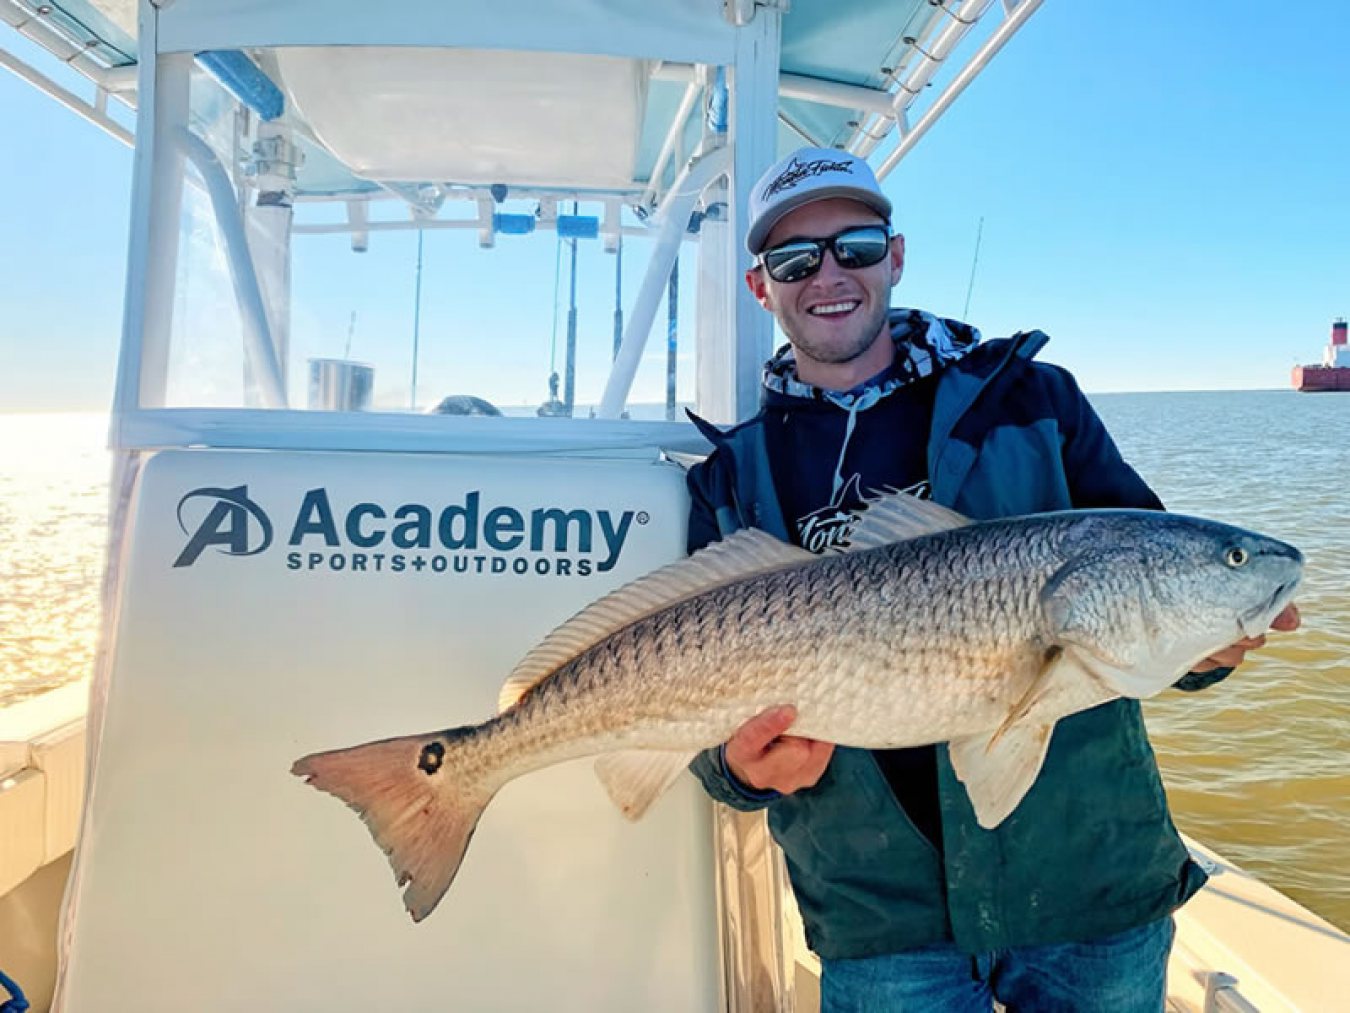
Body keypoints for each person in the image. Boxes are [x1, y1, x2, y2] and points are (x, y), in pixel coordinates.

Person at [684, 146, 1300, 1012]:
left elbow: (1153, 586)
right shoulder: (731, 477)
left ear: (895, 255)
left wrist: (1213, 646)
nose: (830, 274)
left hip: (1093, 887)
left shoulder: (1035, 402)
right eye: (795, 258)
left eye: (855, 246)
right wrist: (743, 771)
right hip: (880, 921)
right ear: (762, 286)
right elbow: (690, 717)